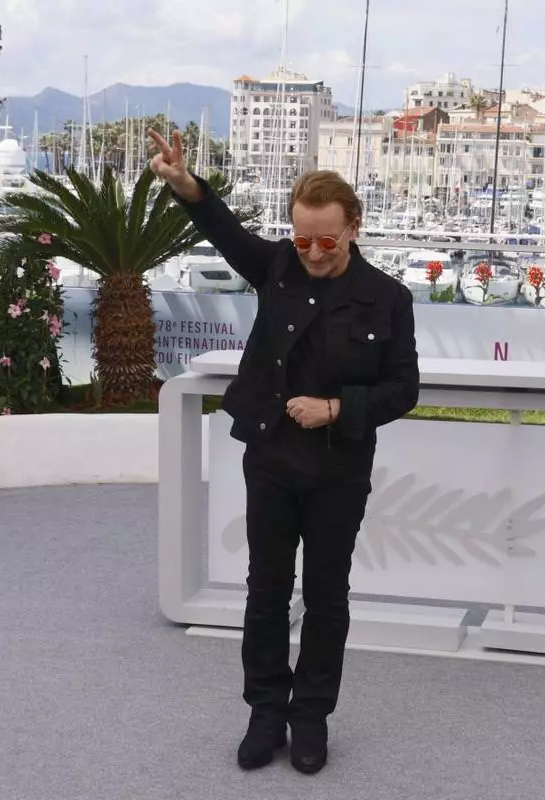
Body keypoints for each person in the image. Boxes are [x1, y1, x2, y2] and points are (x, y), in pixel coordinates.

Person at [148, 128, 420, 775]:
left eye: (327, 240)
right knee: (265, 591)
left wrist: (335, 409)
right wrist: (186, 184)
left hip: (339, 467)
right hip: (270, 458)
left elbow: (403, 389)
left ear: (354, 226)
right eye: (302, 240)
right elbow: (224, 230)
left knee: (326, 596)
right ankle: (266, 711)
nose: (314, 253)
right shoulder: (276, 267)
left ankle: (310, 718)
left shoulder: (389, 298)